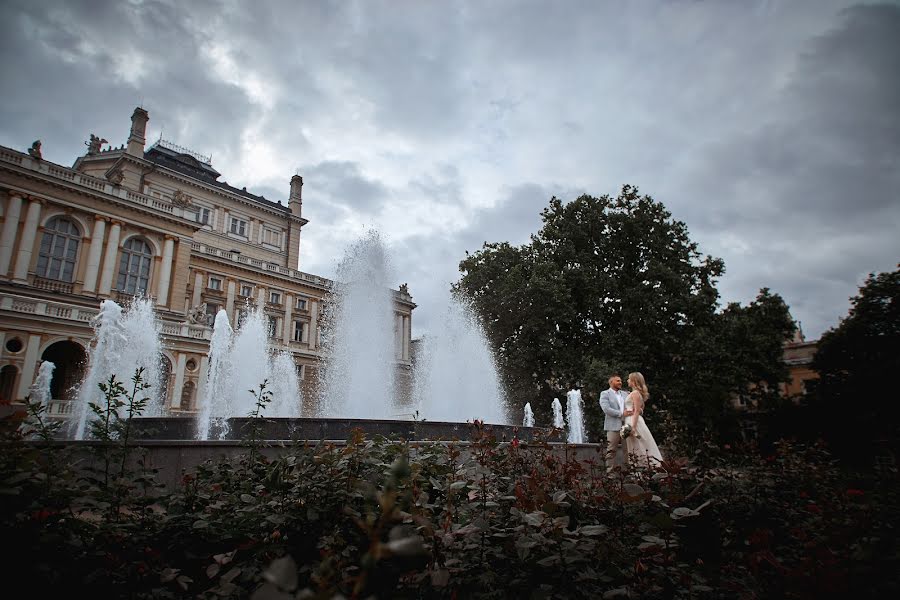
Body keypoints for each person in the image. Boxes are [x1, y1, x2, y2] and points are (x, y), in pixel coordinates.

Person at [623, 372, 663, 466]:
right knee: (634, 445)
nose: (627, 380)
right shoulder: (634, 393)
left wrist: (633, 427)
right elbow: (640, 409)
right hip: (630, 419)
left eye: (629, 379)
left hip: (634, 421)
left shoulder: (635, 393)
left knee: (639, 444)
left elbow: (637, 411)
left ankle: (644, 466)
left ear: (634, 381)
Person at [599, 373, 633, 472]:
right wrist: (621, 413)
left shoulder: (625, 394)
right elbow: (606, 409)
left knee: (628, 451)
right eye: (618, 381)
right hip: (612, 426)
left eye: (621, 381)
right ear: (611, 382)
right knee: (611, 450)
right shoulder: (605, 394)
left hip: (627, 425)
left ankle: (629, 472)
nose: (620, 382)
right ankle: (610, 474)